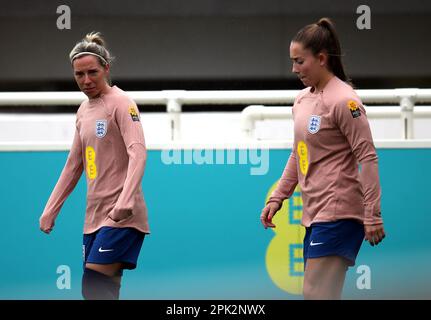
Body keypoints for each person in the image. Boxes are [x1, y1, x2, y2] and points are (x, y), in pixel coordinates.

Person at [260, 18, 386, 300]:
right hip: (315, 214)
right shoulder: (302, 100)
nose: (294, 69)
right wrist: (277, 198)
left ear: (321, 58)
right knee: (321, 295)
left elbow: (367, 157)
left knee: (315, 293)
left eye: (299, 61)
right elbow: (298, 152)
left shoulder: (344, 100)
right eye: (292, 61)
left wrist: (373, 214)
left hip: (339, 212)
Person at [39, 32, 150, 300]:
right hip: (93, 219)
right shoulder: (83, 111)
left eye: (92, 72)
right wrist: (50, 209)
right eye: (79, 74)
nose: (86, 80)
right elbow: (73, 166)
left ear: (106, 68)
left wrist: (125, 202)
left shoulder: (122, 103)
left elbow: (139, 152)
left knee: (93, 287)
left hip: (122, 217)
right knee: (105, 292)